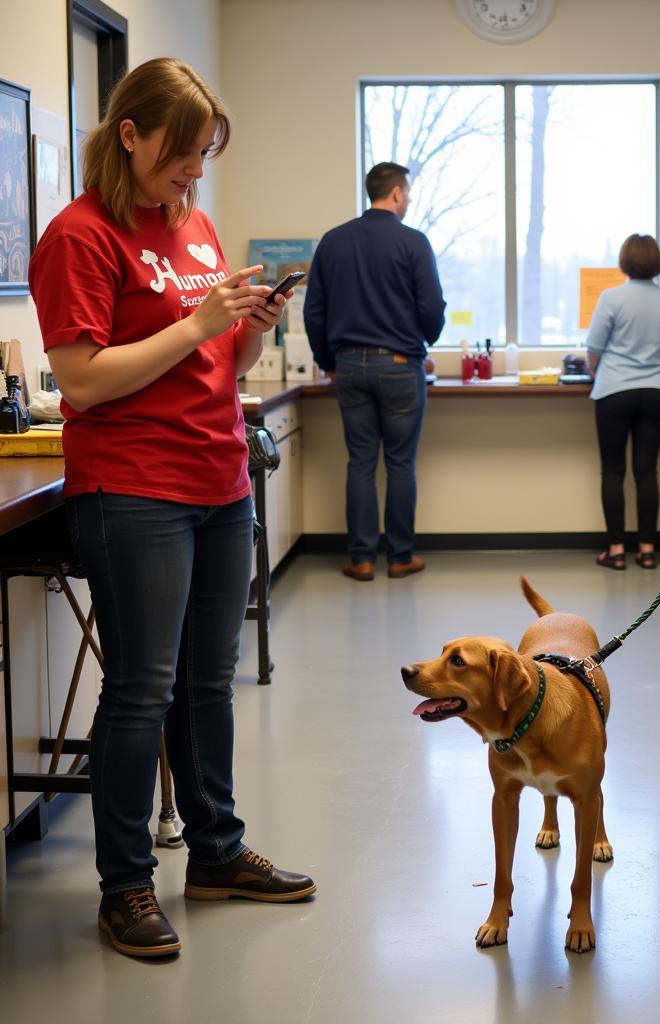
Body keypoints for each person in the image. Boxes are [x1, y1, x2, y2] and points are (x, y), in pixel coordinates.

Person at [28, 57, 315, 959]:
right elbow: (79, 377)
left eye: (204, 159)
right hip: (134, 484)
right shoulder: (79, 236)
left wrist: (248, 324)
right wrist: (196, 325)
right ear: (131, 135)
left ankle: (218, 853)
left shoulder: (189, 224)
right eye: (183, 155)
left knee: (208, 683)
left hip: (218, 475)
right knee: (142, 690)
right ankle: (124, 886)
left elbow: (213, 364)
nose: (194, 174)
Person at [304, 161, 446, 582]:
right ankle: (400, 557)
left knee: (360, 463)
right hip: (402, 366)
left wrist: (330, 363)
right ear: (398, 194)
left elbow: (315, 312)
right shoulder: (413, 242)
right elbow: (432, 309)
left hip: (348, 365)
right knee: (401, 463)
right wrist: (423, 343)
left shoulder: (333, 241)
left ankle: (361, 558)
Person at [586, 234, 660, 570]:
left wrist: (593, 371)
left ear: (625, 261)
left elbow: (594, 346)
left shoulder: (611, 298)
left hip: (614, 389)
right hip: (656, 391)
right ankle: (647, 550)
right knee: (647, 471)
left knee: (613, 470)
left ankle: (615, 552)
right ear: (657, 261)